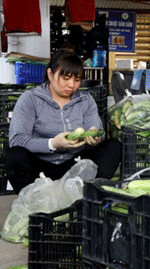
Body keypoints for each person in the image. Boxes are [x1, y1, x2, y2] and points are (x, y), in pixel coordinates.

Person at [5, 49, 122, 193]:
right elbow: (17, 140)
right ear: (50, 74)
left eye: (77, 80)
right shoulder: (30, 99)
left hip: (76, 165)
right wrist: (52, 143)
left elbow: (97, 131)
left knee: (113, 147)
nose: (72, 85)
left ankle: (90, 197)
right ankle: (33, 199)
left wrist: (95, 138)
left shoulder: (86, 100)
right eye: (66, 78)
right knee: (14, 154)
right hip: (40, 167)